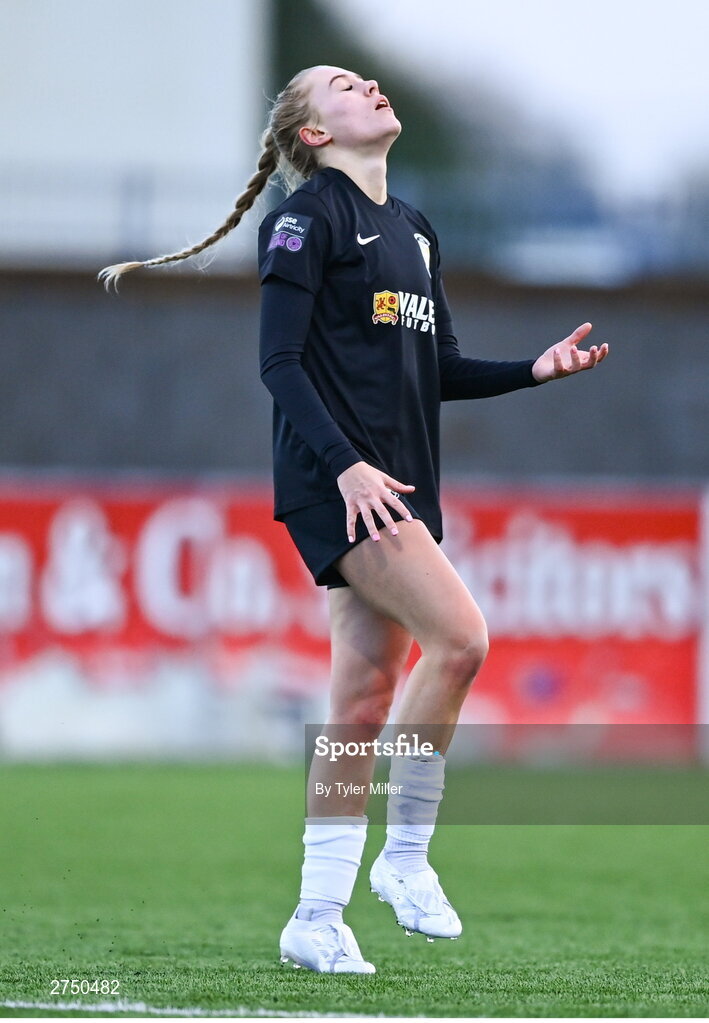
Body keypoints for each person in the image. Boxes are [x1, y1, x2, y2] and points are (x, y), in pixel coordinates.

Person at [98, 64, 609, 976]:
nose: (367, 84)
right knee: (460, 640)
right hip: (338, 482)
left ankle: (315, 914)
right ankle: (404, 855)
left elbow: (437, 366)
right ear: (314, 134)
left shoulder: (413, 229)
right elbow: (278, 364)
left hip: (396, 483)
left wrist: (533, 371)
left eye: (365, 79)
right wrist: (344, 466)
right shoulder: (307, 218)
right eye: (341, 85)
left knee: (362, 699)